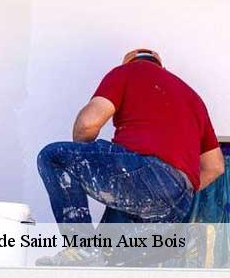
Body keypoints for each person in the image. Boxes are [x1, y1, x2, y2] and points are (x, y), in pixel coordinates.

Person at [37, 48, 224, 266]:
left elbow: (88, 123)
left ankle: (81, 248)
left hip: (143, 174)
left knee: (53, 157)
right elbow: (215, 166)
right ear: (159, 65)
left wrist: (83, 167)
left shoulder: (127, 72)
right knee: (106, 257)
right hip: (178, 200)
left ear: (129, 62)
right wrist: (170, 190)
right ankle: (186, 241)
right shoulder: (193, 98)